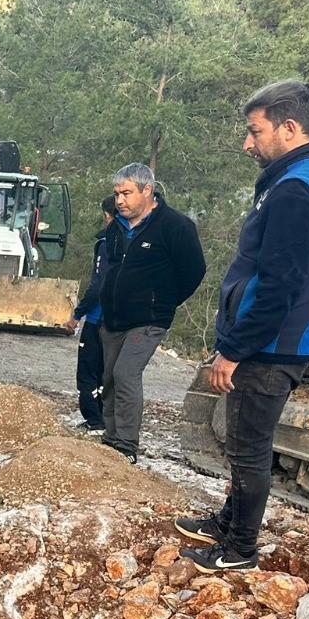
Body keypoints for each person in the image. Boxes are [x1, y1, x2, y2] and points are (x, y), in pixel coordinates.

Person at [176, 82, 309, 573]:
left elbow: (278, 285)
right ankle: (230, 521)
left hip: (273, 342)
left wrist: (233, 350)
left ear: (290, 129)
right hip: (300, 331)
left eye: (255, 132)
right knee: (247, 443)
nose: (247, 143)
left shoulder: (295, 191)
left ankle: (239, 550)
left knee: (247, 448)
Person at [94, 163, 207, 462]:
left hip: (149, 319)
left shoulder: (175, 226)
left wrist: (162, 301)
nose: (119, 200)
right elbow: (112, 270)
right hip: (114, 318)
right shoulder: (116, 227)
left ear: (148, 190)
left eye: (127, 193)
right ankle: (111, 439)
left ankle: (126, 446)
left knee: (126, 373)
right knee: (108, 377)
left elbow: (194, 271)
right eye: (117, 193)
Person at [65, 194, 119, 431]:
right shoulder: (135, 240)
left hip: (98, 319)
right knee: (109, 372)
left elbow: (98, 285)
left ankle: (94, 419)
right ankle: (109, 419)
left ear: (108, 216)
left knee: (88, 372)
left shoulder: (107, 243)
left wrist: (78, 314)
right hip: (120, 321)